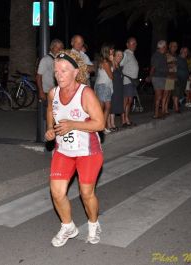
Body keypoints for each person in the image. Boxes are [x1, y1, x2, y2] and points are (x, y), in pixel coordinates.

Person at [45, 50, 105, 247]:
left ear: (75, 72)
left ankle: (94, 224)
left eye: (64, 71)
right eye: (56, 71)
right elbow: (50, 111)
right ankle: (68, 226)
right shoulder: (53, 93)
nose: (59, 75)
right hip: (63, 151)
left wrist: (73, 124)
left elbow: (100, 124)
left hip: (87, 152)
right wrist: (50, 130)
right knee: (57, 192)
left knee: (86, 193)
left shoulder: (85, 93)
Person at [95, 44, 114, 134]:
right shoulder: (106, 62)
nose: (113, 51)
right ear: (107, 51)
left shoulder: (105, 61)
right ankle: (101, 127)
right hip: (104, 86)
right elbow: (111, 76)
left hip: (102, 86)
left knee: (104, 107)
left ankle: (101, 127)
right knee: (106, 107)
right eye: (111, 50)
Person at [121, 37, 139, 127]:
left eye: (135, 43)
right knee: (126, 100)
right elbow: (120, 65)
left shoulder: (131, 54)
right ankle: (124, 120)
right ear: (127, 44)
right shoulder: (126, 54)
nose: (134, 45)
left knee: (130, 100)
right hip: (126, 81)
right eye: (132, 43)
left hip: (131, 82)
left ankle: (127, 118)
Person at [149, 40, 168, 119]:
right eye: (165, 46)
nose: (166, 48)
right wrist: (150, 77)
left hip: (162, 77)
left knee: (161, 96)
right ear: (163, 47)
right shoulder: (156, 55)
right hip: (157, 78)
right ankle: (156, 114)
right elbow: (153, 68)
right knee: (158, 96)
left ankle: (159, 113)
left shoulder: (162, 55)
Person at [111, 50, 124, 130]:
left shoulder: (119, 65)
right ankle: (111, 124)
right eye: (118, 55)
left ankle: (112, 124)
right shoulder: (112, 64)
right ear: (114, 56)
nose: (120, 57)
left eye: (121, 55)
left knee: (115, 106)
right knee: (112, 106)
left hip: (118, 87)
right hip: (113, 87)